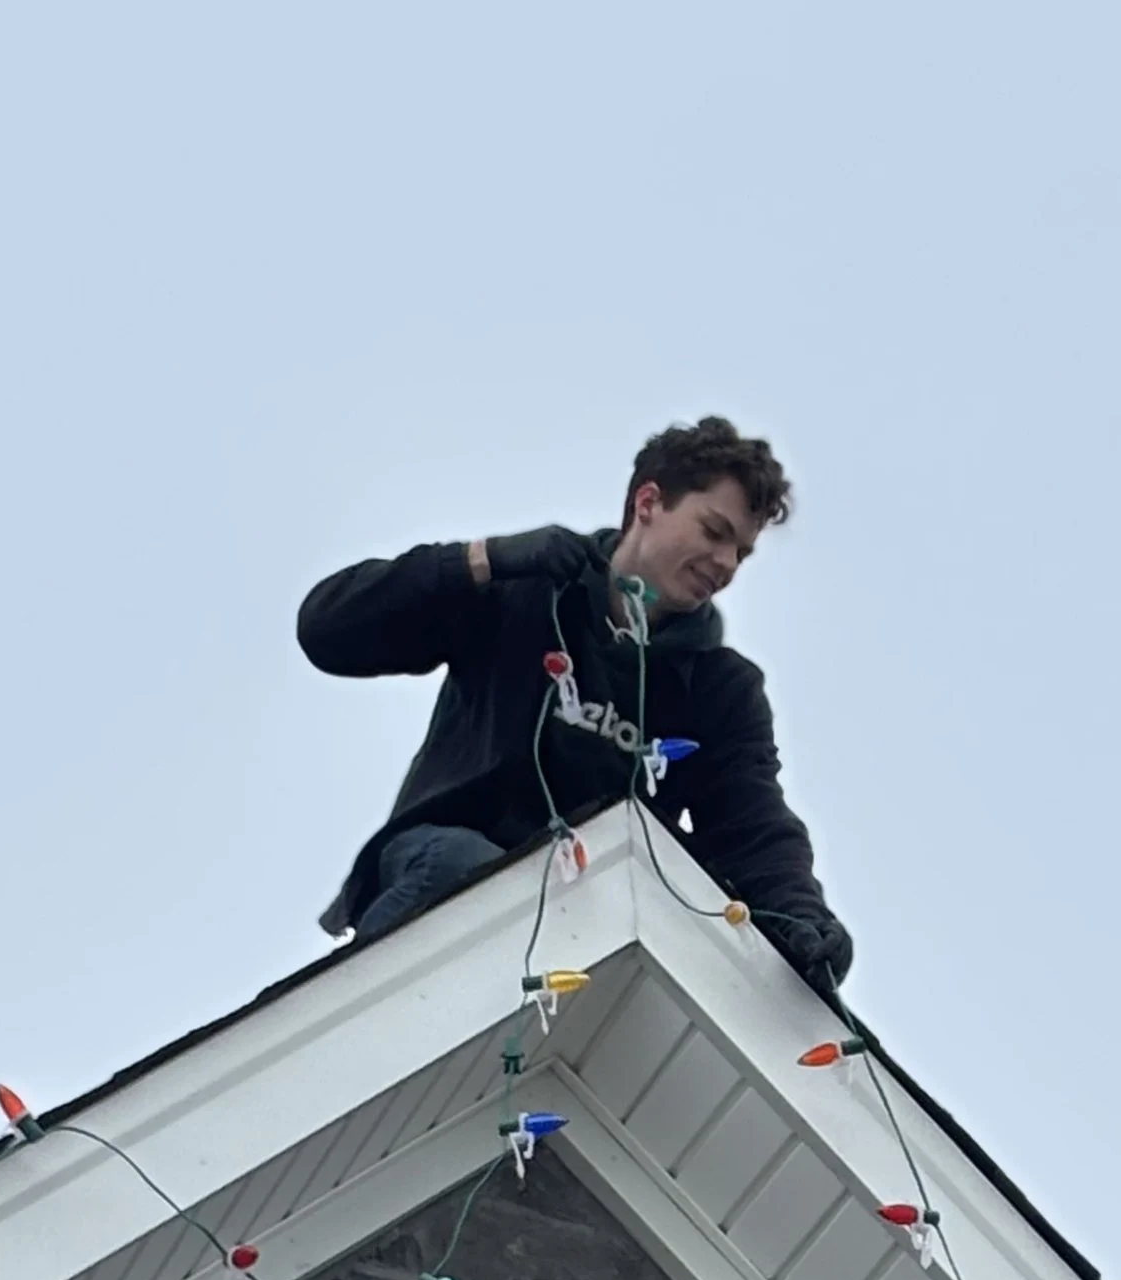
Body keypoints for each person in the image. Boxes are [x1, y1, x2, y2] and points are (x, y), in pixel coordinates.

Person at [296, 416, 853, 989]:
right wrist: (480, 562)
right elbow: (329, 630)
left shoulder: (720, 690)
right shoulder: (528, 592)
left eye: (743, 552)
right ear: (648, 501)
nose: (728, 564)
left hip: (592, 914)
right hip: (448, 863)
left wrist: (800, 917)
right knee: (462, 867)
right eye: (714, 532)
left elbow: (751, 822)